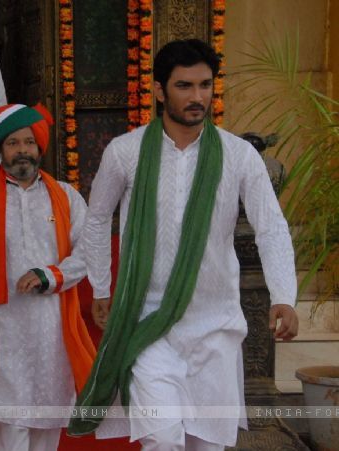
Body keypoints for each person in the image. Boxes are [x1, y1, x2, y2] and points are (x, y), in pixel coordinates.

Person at [67, 39, 299, 451]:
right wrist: (101, 286)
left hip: (215, 327)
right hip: (148, 322)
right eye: (184, 86)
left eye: (205, 86)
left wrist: (284, 294)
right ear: (159, 91)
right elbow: (98, 217)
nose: (197, 97)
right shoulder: (126, 152)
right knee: (162, 439)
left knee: (206, 445)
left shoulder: (239, 155)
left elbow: (271, 226)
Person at [0, 104, 96, 451]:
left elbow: (89, 251)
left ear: (40, 146)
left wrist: (50, 275)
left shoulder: (66, 196)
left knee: (46, 426)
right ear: (0, 149)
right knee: (6, 427)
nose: (22, 150)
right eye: (13, 143)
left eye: (29, 142)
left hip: (50, 332)